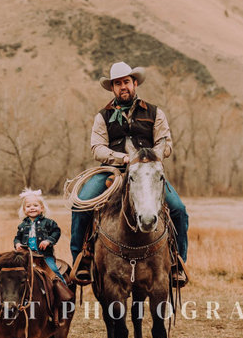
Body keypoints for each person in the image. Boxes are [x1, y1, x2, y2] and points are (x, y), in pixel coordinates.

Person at [68, 62, 188, 287]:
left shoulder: (154, 112)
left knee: (178, 210)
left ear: (135, 84)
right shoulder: (102, 116)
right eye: (117, 84)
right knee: (81, 203)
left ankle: (177, 262)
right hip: (113, 170)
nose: (123, 87)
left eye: (126, 82)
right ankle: (81, 260)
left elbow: (166, 143)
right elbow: (97, 148)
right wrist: (121, 158)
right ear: (113, 88)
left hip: (147, 171)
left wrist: (149, 157)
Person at [13, 188, 75, 323]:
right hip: (27, 257)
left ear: (42, 208)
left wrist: (48, 241)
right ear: (24, 210)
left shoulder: (49, 223)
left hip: (44, 257)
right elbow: (17, 238)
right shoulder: (22, 225)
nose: (32, 208)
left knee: (54, 273)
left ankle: (63, 291)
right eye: (28, 206)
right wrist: (17, 244)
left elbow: (56, 232)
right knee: (12, 274)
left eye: (35, 205)